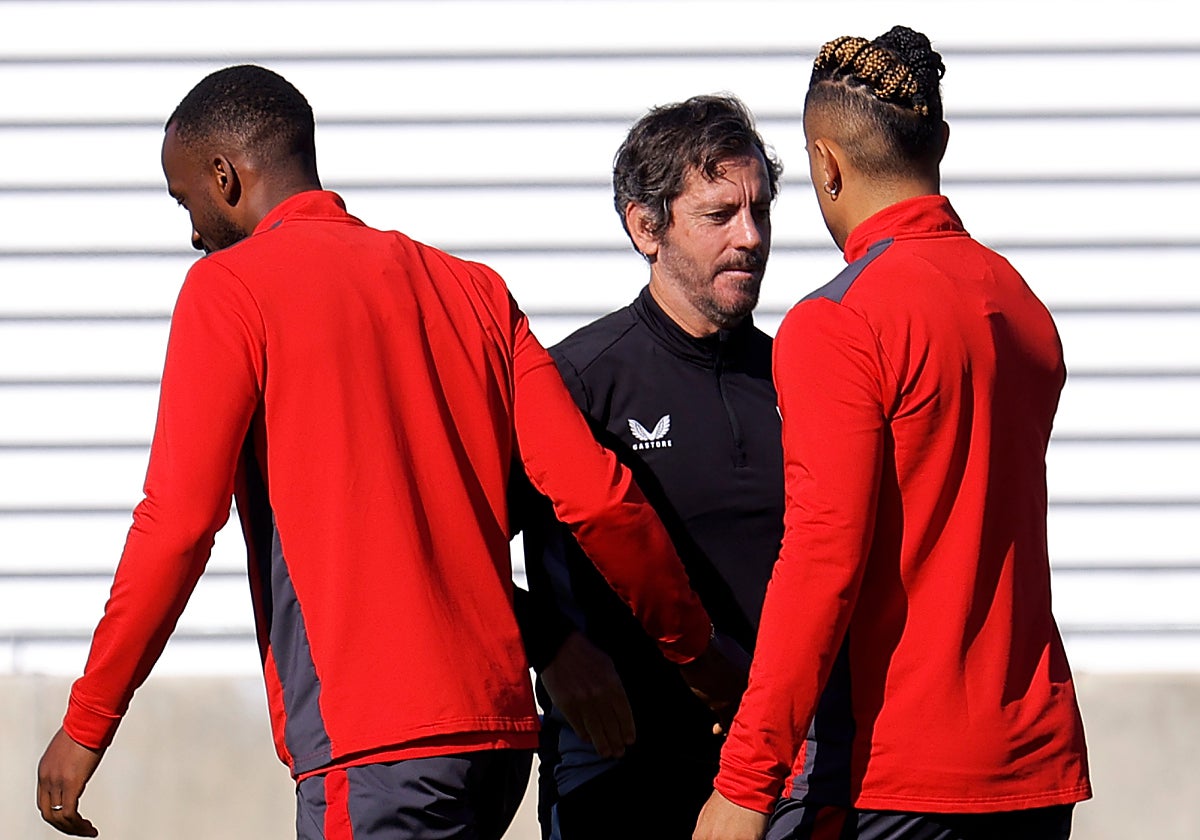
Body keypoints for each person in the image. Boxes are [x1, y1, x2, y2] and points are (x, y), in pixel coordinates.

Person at [33, 64, 745, 840]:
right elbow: (600, 496)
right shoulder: (472, 289)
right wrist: (696, 654)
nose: (193, 232)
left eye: (186, 202)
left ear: (225, 176)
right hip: (498, 743)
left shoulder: (228, 290)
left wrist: (89, 720)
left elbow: (177, 523)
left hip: (373, 749)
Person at [694, 26, 1092, 840]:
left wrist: (743, 784)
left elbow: (821, 559)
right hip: (1033, 773)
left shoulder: (838, 321)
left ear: (825, 164)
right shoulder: (1021, 308)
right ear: (938, 143)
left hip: (893, 774)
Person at [515, 94, 799, 840]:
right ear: (647, 227)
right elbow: (451, 546)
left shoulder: (798, 379)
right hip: (618, 767)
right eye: (719, 215)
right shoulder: (575, 382)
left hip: (773, 774)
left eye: (761, 212)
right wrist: (548, 643)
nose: (751, 238)